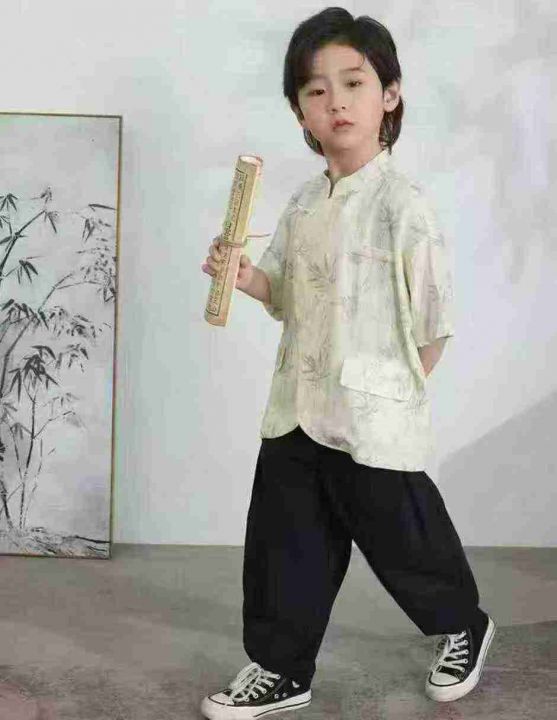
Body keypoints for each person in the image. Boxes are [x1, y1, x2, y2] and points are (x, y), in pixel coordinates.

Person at [200, 7, 496, 718]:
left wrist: (392, 395)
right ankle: (281, 667)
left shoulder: (403, 205)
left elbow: (434, 324)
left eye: (353, 82)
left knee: (404, 539)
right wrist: (245, 277)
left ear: (388, 94)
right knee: (285, 541)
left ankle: (462, 624)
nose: (335, 101)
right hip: (294, 406)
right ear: (299, 111)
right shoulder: (303, 202)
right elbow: (283, 294)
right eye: (315, 89)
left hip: (371, 414)